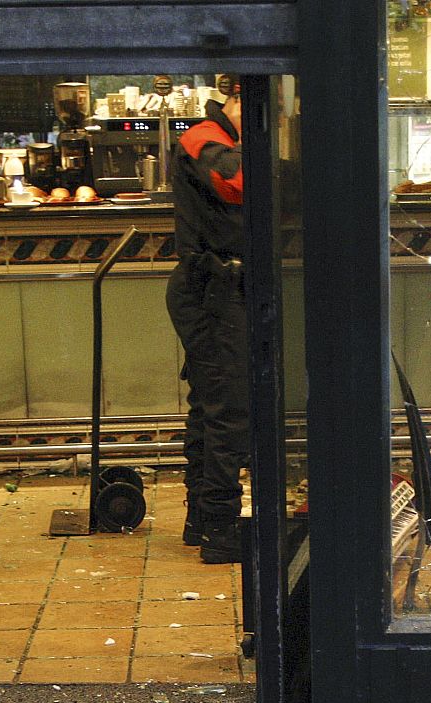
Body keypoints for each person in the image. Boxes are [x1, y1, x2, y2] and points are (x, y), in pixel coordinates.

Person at [166, 87, 248, 564]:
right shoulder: (204, 137)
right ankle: (219, 528)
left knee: (211, 404)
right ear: (238, 95)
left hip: (220, 288)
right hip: (210, 290)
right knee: (228, 410)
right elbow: (232, 182)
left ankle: (201, 519)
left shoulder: (226, 136)